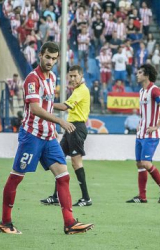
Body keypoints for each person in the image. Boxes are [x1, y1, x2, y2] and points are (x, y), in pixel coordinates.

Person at [0, 42, 94, 235]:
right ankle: (5, 222)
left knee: (64, 176)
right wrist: (59, 121)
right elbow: (35, 108)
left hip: (49, 136)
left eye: (54, 58)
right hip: (32, 136)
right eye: (47, 57)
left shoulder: (52, 78)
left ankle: (69, 223)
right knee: (16, 177)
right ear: (40, 55)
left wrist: (58, 119)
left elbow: (48, 104)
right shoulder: (32, 79)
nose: (50, 61)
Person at [40, 65, 93, 207]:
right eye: (71, 76)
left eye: (75, 76)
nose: (73, 78)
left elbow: (64, 107)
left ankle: (86, 198)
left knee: (76, 163)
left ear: (81, 76)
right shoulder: (77, 90)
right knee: (58, 160)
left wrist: (45, 103)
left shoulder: (81, 90)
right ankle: (56, 196)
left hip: (77, 128)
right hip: (70, 128)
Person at [126, 64, 160, 204]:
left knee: (146, 163)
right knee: (139, 164)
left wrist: (157, 125)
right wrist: (141, 123)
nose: (137, 74)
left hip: (151, 135)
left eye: (140, 72)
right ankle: (142, 196)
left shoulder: (154, 90)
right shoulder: (141, 91)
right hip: (141, 133)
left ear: (146, 75)